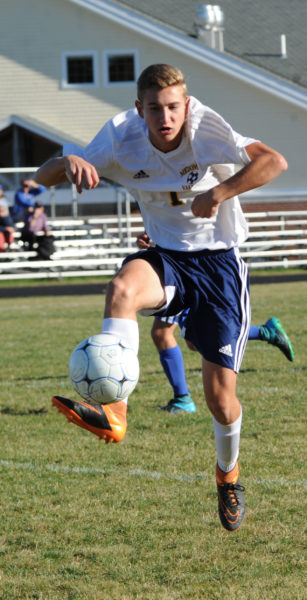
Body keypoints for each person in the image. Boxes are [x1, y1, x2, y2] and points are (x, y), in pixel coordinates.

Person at [35, 63, 288, 531]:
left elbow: (274, 161)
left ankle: (228, 477)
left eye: (173, 107)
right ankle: (114, 413)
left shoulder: (206, 128)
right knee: (122, 290)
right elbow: (43, 174)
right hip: (166, 257)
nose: (166, 117)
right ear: (140, 110)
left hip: (218, 267)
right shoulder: (119, 136)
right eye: (155, 108)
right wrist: (67, 163)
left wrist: (219, 193)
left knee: (219, 398)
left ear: (186, 105)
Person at [137, 232, 295, 414]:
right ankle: (265, 332)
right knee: (193, 341)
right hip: (177, 262)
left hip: (186, 267)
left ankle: (182, 399)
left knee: (162, 334)